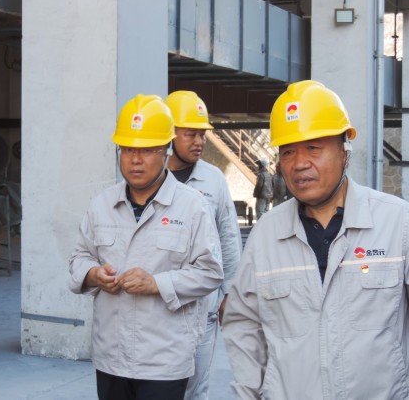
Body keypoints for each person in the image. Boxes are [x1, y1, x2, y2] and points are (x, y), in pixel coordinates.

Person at [222, 80, 409, 400]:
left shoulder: (397, 223)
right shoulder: (266, 235)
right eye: (288, 151)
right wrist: (251, 392)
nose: (299, 163)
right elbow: (243, 323)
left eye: (313, 148)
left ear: (344, 150)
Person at [68, 94, 224, 400]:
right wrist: (93, 274)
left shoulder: (192, 207)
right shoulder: (101, 205)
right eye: (128, 149)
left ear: (166, 150)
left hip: (164, 361)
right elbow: (78, 258)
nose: (135, 159)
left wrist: (156, 283)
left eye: (147, 150)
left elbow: (210, 273)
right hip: (111, 357)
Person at [164, 90, 241, 400]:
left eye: (202, 134)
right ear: (169, 134)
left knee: (196, 389)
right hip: (159, 304)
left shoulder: (213, 180)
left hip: (202, 307)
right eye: (190, 133)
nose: (199, 141)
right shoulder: (151, 178)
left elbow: (228, 237)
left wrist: (229, 292)